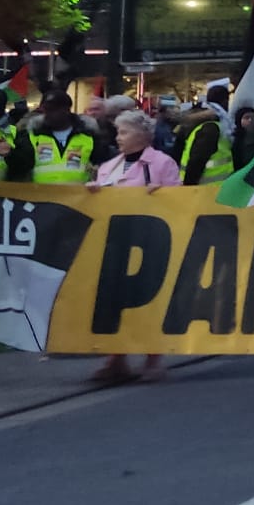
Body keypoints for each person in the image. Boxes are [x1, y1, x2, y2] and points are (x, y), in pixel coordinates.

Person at [85, 111, 177, 385]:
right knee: (114, 302)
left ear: (143, 135)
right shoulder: (108, 167)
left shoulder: (162, 163)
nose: (118, 137)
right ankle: (116, 358)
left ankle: (152, 359)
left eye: (123, 132)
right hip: (115, 242)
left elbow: (182, 200)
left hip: (150, 241)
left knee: (148, 301)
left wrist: (161, 194)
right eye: (118, 132)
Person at [27, 90, 97, 186]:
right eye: (44, 110)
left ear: (66, 110)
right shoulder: (34, 136)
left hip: (79, 198)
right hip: (41, 197)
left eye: (52, 110)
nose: (46, 114)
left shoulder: (88, 136)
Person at [177, 88, 235, 185]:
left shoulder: (196, 125)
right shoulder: (211, 128)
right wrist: (189, 186)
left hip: (203, 188)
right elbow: (197, 160)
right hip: (206, 189)